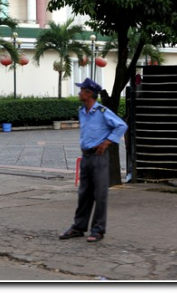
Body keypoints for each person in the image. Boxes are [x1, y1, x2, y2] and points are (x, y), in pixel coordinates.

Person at [59, 77, 127, 243]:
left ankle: (98, 230)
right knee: (84, 193)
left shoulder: (102, 112)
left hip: (98, 156)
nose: (79, 92)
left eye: (81, 90)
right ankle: (78, 227)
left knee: (100, 194)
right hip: (86, 156)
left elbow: (121, 125)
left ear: (88, 93)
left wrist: (107, 142)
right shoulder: (82, 111)